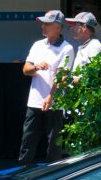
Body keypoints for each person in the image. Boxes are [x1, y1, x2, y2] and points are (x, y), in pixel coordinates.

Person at [19, 9, 73, 165]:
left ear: (58, 26)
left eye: (47, 24)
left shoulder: (67, 48)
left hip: (55, 102)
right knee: (28, 140)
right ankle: (22, 173)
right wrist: (36, 67)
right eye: (43, 23)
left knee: (53, 145)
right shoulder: (37, 45)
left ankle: (52, 177)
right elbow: (25, 70)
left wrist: (51, 96)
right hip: (34, 101)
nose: (43, 26)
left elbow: (62, 76)